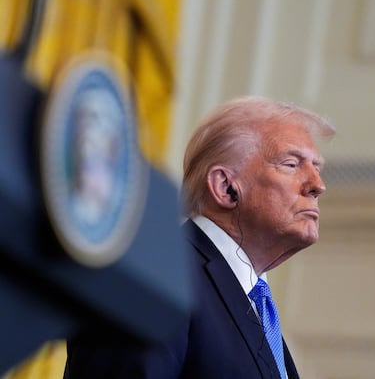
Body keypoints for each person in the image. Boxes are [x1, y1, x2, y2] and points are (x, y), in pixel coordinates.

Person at [64, 95, 335, 378]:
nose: (318, 186)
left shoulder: (256, 304)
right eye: (292, 164)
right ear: (225, 187)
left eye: (317, 168)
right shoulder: (157, 276)